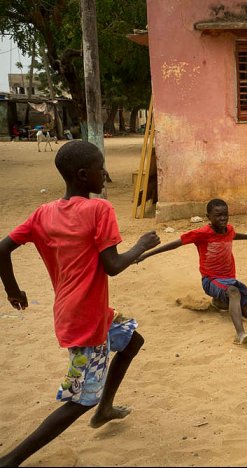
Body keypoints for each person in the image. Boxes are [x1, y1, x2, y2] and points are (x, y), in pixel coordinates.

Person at [0, 140, 160, 467]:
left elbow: (1, 249)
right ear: (84, 174)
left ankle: (105, 409)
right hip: (86, 322)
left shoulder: (43, 213)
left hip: (81, 313)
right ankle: (11, 459)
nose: (106, 173)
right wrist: (140, 246)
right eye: (102, 168)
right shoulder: (99, 209)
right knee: (79, 400)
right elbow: (113, 266)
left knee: (132, 339)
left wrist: (13, 291)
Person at [136, 198, 247, 346]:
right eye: (218, 215)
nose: (222, 218)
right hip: (211, 280)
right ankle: (240, 335)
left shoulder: (229, 230)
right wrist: (145, 254)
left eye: (225, 214)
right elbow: (174, 244)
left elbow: (234, 235)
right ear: (208, 217)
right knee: (234, 292)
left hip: (229, 279)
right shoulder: (202, 233)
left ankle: (219, 303)